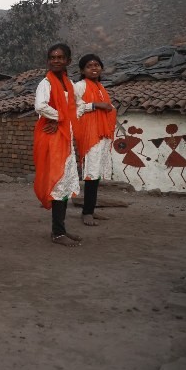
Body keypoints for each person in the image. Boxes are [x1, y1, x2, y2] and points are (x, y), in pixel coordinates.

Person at [33, 43, 82, 247]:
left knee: (64, 183)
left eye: (60, 57)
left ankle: (60, 229)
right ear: (48, 61)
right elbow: (41, 106)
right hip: (52, 137)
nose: (56, 60)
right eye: (52, 57)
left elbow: (76, 107)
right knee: (57, 181)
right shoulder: (46, 83)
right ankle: (57, 233)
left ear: (68, 61)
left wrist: (65, 120)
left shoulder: (69, 84)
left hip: (65, 136)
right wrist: (59, 117)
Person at [74, 54, 116, 226]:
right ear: (82, 70)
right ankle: (87, 213)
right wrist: (94, 105)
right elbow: (72, 108)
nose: (94, 68)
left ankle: (90, 209)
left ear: (101, 68)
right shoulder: (79, 86)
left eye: (97, 65)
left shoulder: (101, 87)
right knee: (91, 172)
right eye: (89, 65)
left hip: (102, 133)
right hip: (89, 134)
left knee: (96, 172)